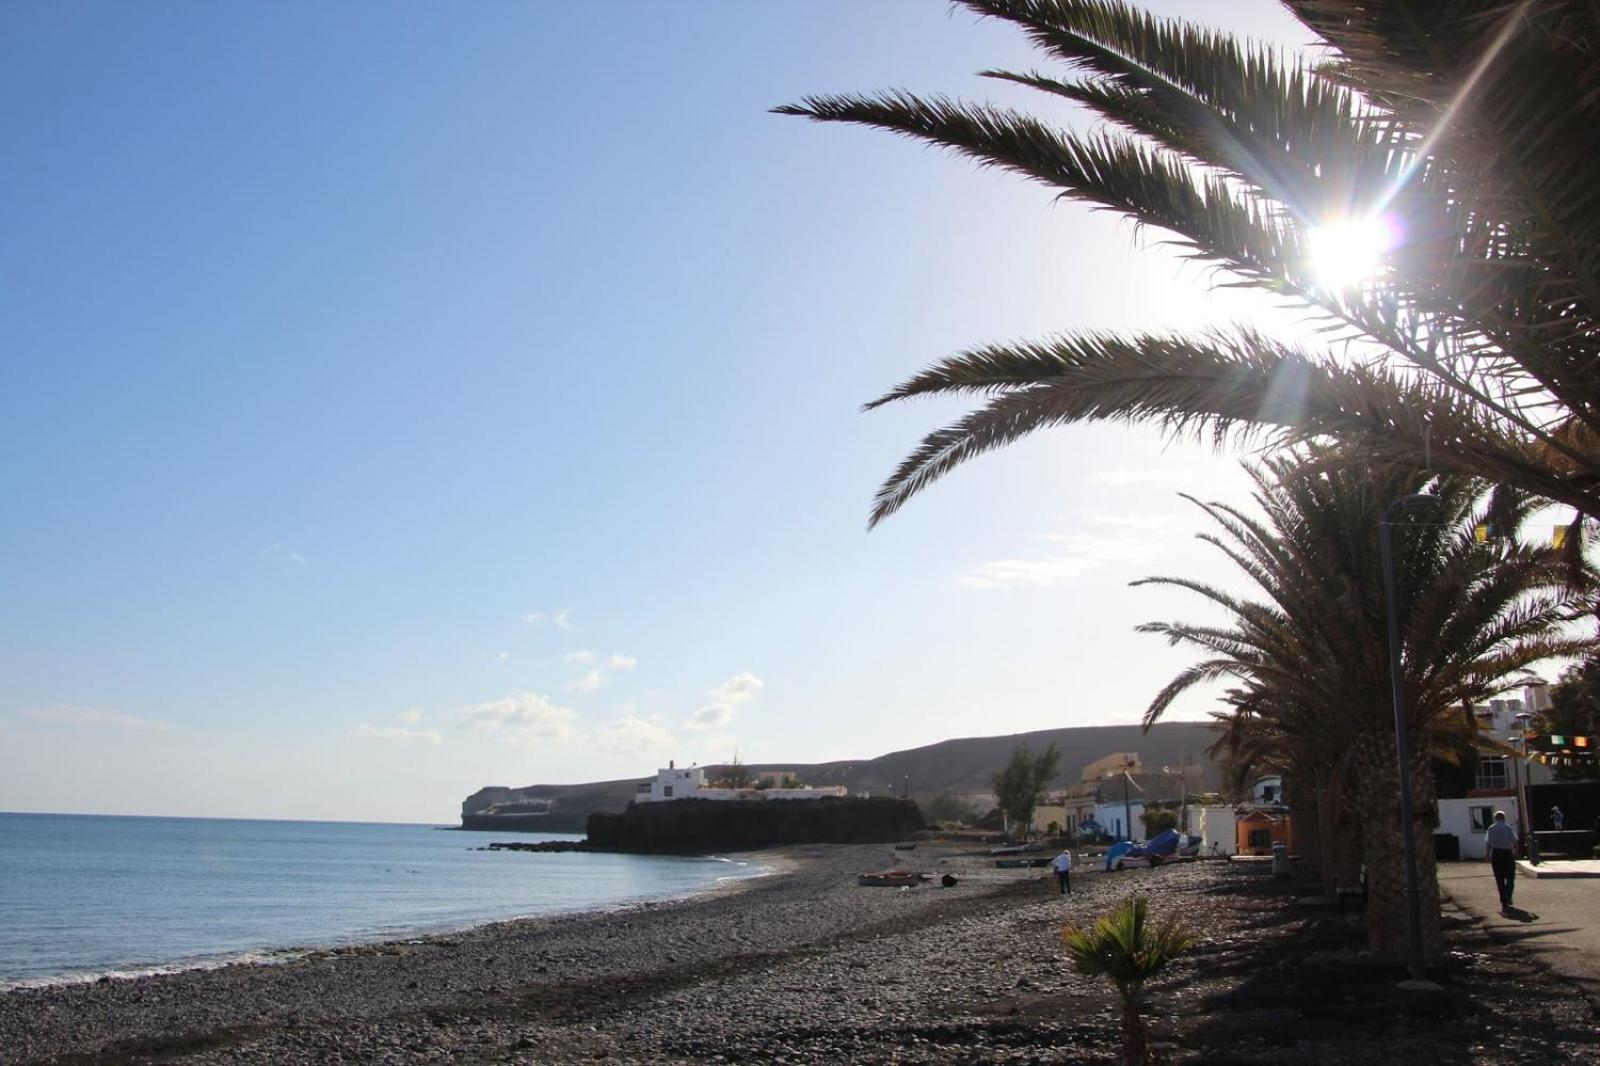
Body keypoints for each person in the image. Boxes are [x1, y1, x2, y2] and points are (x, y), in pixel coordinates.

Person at [1485, 810, 1518, 911]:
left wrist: (1487, 854)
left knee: (1499, 878)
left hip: (1496, 853)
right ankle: (1508, 894)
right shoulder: (1508, 828)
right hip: (1507, 853)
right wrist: (1515, 852)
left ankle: (1503, 900)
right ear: (1504, 818)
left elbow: (1488, 843)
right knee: (1510, 877)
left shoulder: (1491, 829)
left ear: (1495, 818)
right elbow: (1515, 841)